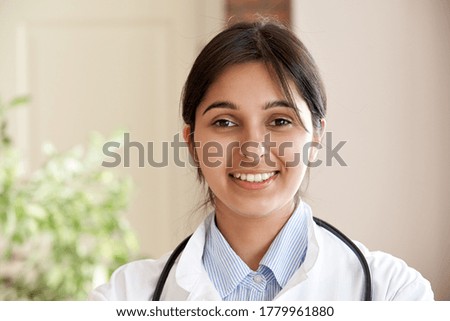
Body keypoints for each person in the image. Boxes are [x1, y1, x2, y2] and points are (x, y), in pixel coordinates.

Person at [89, 19, 434, 301]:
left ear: (316, 138)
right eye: (224, 122)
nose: (252, 150)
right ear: (192, 143)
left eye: (280, 121)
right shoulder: (124, 298)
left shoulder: (394, 294)